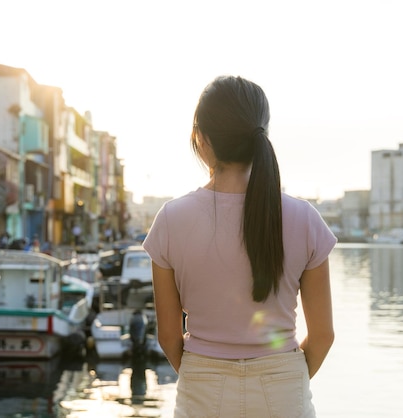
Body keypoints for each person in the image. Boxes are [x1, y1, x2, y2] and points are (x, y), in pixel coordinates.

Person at [143, 75, 337, 417]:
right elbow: (322, 336)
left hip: (203, 386)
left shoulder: (171, 219)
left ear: (200, 138)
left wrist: (205, 374)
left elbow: (169, 336)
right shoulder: (304, 218)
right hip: (283, 387)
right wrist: (285, 378)